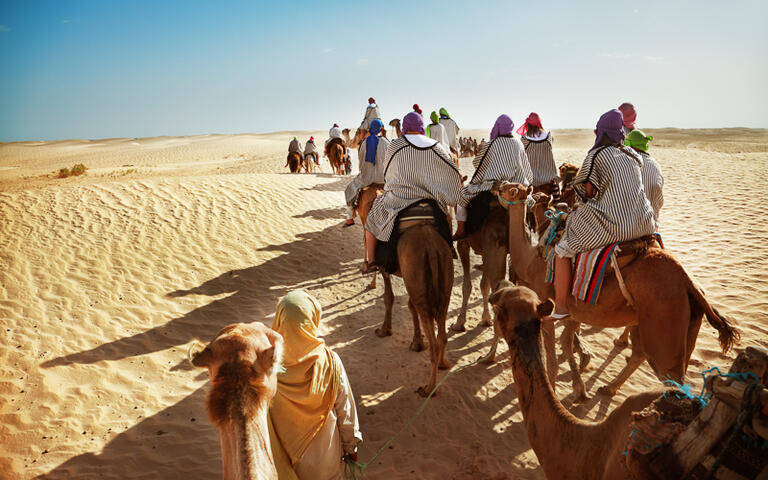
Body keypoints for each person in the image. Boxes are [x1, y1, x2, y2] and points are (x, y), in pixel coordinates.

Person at [546, 109, 656, 320]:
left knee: (562, 250)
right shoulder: (633, 155)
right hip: (646, 222)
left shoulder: (596, 155)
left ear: (600, 132)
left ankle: (560, 307)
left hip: (615, 226)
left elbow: (586, 192)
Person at [269, 289, 363, 480]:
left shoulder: (267, 367)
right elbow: (345, 409)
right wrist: (350, 446)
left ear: (279, 320)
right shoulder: (330, 361)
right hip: (326, 464)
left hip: (283, 466)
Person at [363, 111, 462, 272]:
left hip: (399, 200)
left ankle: (372, 261)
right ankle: (449, 247)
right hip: (431, 200)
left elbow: (388, 172)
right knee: (445, 217)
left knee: (372, 219)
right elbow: (451, 171)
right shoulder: (436, 146)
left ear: (405, 127)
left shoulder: (395, 144)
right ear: (422, 126)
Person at [454, 114, 533, 239]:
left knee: (462, 197)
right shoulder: (518, 143)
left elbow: (477, 163)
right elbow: (526, 168)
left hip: (493, 187)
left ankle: (461, 231)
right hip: (516, 188)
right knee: (529, 204)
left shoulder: (491, 144)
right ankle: (529, 232)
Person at [344, 119, 389, 226]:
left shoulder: (364, 143)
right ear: (381, 129)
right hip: (384, 179)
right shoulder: (387, 143)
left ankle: (350, 217)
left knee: (349, 190)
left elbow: (361, 163)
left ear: (370, 130)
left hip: (365, 179)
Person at [626, 129, 664, 221]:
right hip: (652, 223)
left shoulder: (626, 162)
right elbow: (660, 201)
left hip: (628, 223)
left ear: (628, 144)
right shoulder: (655, 164)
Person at [517, 112, 559, 194]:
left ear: (528, 124)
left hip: (530, 179)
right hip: (549, 177)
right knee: (557, 198)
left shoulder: (524, 139)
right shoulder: (548, 137)